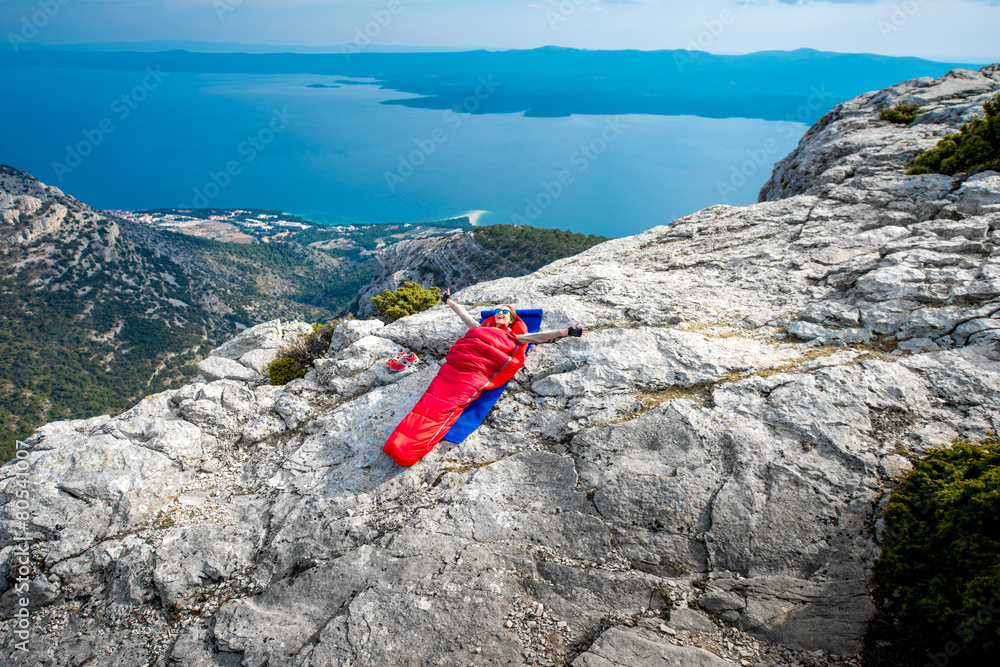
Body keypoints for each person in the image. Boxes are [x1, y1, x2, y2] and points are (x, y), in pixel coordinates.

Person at [382, 288, 588, 466]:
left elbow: (539, 336)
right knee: (427, 403)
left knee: (445, 408)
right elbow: (464, 315)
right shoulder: (479, 328)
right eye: (498, 310)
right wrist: (448, 300)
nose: (500, 313)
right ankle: (397, 442)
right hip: (451, 370)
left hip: (473, 375)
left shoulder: (514, 337)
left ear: (512, 320)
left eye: (505, 312)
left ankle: (408, 451)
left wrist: (567, 331)